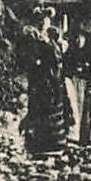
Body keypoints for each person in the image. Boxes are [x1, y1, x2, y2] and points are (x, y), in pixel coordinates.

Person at [18, 14, 71, 154]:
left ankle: (55, 142)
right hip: (40, 81)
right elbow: (30, 60)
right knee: (39, 108)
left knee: (54, 108)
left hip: (53, 80)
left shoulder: (52, 41)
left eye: (45, 22)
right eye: (40, 22)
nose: (43, 25)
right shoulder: (33, 40)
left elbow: (57, 59)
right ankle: (38, 143)